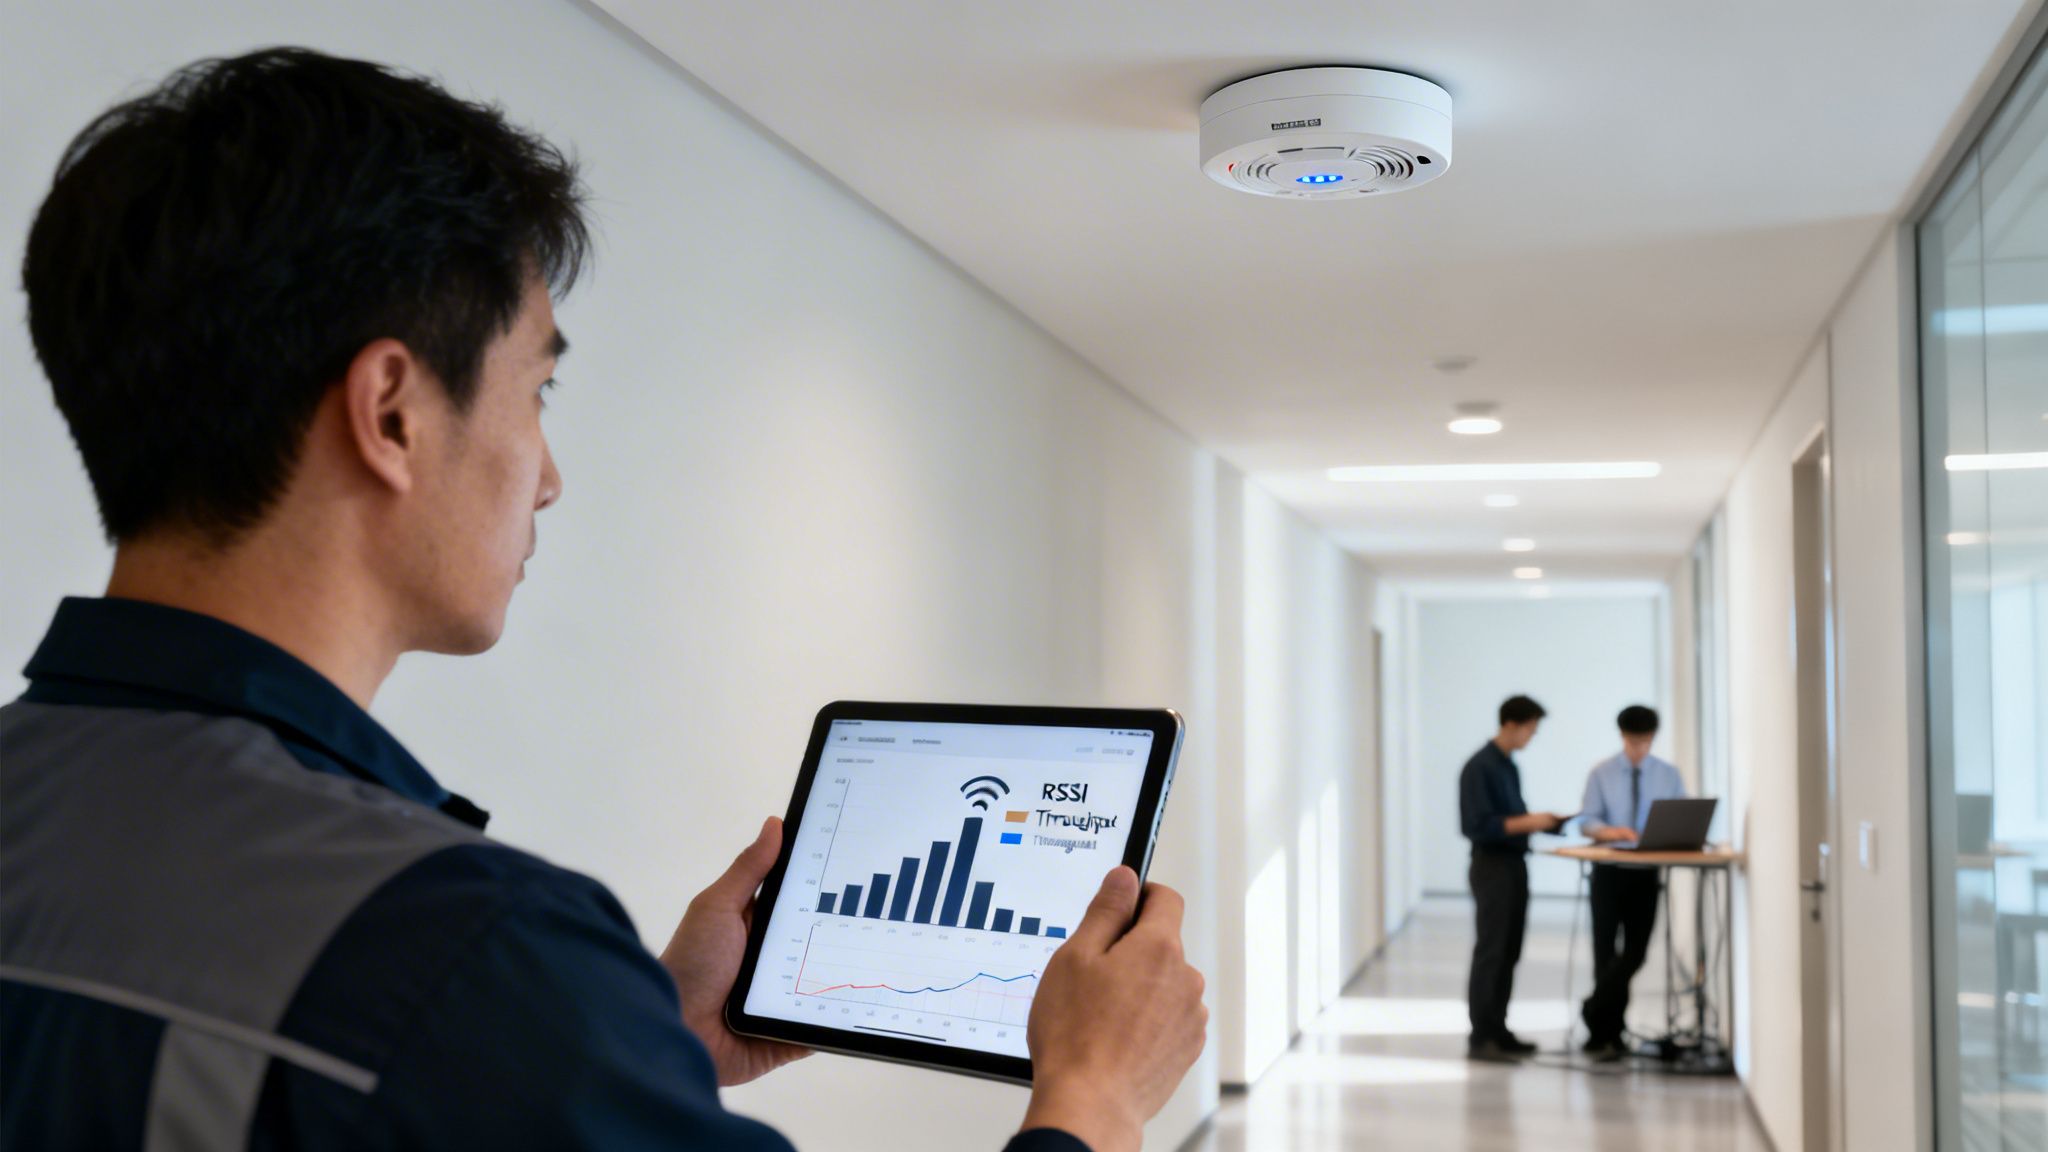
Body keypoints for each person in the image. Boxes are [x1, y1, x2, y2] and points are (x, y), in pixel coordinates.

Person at [0, 48, 1206, 1152]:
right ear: (392, 414)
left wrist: (637, 1053)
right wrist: (1090, 1095)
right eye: (538, 390)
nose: (550, 475)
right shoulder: (469, 960)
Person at [1458, 694, 1569, 1062]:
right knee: (1491, 950)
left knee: (1509, 950)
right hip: (1492, 867)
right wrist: (1533, 821)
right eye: (1530, 729)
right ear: (1510, 724)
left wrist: (1544, 823)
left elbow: (1514, 815)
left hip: (1514, 864)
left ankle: (1499, 1029)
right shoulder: (1479, 767)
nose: (1531, 737)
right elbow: (1476, 826)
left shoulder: (1508, 765)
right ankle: (1481, 1036)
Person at [1574, 704, 1687, 1061]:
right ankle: (1606, 1033)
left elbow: (1681, 815)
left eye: (1647, 741)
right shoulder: (1601, 773)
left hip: (1646, 872)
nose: (1640, 748)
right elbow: (1586, 820)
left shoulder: (1668, 775)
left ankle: (1594, 1007)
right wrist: (1610, 831)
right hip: (1609, 870)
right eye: (1635, 741)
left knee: (1635, 952)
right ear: (1622, 737)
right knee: (1604, 952)